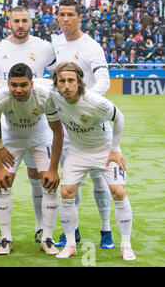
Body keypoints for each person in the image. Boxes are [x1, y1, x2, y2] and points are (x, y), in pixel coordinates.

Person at [0, 6, 56, 246]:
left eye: (24, 20)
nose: (20, 25)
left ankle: (43, 231)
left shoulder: (45, 47)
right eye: (16, 20)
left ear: (30, 22)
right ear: (9, 23)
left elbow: (58, 77)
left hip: (39, 130)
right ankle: (4, 235)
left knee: (42, 179)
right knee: (4, 180)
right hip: (10, 129)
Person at [50, 62, 135, 261]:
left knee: (118, 191)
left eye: (71, 81)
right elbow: (32, 82)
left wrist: (114, 149)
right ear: (56, 83)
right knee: (66, 192)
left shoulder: (95, 101)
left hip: (104, 151)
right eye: (62, 81)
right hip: (77, 152)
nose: (66, 86)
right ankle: (70, 243)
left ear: (80, 82)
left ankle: (126, 244)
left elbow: (119, 118)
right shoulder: (54, 95)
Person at [52, 0, 114, 249]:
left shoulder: (91, 46)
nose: (65, 19)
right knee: (70, 180)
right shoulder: (55, 43)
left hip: (93, 122)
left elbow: (105, 79)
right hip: (69, 127)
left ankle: (106, 230)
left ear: (80, 17)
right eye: (61, 14)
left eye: (70, 14)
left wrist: (84, 101)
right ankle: (72, 231)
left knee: (101, 181)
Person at [0, 63, 63, 255]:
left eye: (23, 85)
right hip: (13, 139)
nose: (18, 90)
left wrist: (53, 169)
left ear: (32, 84)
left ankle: (47, 238)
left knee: (48, 182)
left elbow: (58, 132)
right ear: (8, 84)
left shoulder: (45, 97)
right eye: (13, 85)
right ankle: (6, 239)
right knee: (3, 181)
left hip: (40, 138)